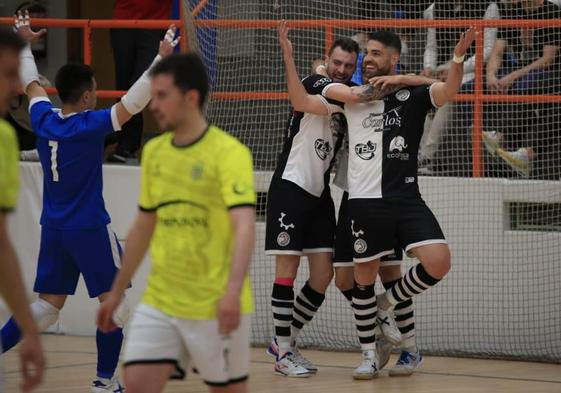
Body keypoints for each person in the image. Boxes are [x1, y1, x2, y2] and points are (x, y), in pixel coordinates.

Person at [279, 20, 476, 377]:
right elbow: (302, 99)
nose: (366, 59)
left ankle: (393, 320)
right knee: (358, 279)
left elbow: (448, 90)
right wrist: (292, 61)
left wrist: (457, 57)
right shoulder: (353, 97)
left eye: (374, 53)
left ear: (394, 58)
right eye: (365, 53)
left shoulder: (413, 94)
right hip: (361, 202)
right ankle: (370, 353)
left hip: (404, 198)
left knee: (435, 262)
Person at [0, 11, 178, 392]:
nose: (98, 94)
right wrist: (161, 58)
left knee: (47, 307)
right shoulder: (88, 125)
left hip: (55, 228)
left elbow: (31, 85)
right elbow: (132, 103)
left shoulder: (44, 118)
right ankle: (103, 383)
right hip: (89, 228)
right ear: (85, 96)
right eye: (95, 89)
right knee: (116, 305)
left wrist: (25, 42)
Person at [97, 53, 256, 393]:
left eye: (162, 95)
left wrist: (231, 291)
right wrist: (115, 291)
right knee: (137, 382)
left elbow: (244, 227)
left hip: (216, 303)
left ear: (191, 97)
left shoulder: (230, 154)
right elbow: (143, 227)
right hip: (162, 301)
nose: (153, 105)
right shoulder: (155, 152)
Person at [265, 37, 361, 377]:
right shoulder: (317, 83)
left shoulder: (346, 103)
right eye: (337, 63)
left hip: (320, 195)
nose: (342, 69)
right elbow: (299, 98)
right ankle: (283, 355)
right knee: (286, 272)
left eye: (349, 66)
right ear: (327, 60)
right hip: (291, 187)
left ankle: (285, 340)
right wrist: (291, 60)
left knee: (323, 275)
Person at [0, 25, 44, 393]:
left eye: (18, 74)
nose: (16, 86)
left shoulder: (5, 140)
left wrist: (29, 330)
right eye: (8, 74)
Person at [419, 0, 499, 175]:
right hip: (442, 70)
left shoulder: (488, 7)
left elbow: (486, 51)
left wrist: (455, 67)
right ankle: (414, 155)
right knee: (419, 91)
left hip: (473, 71)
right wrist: (429, 68)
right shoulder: (434, 9)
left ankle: (427, 155)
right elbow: (431, 48)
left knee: (449, 95)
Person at [485, 0, 561, 178]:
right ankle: (494, 144)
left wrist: (512, 76)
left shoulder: (551, 11)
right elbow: (496, 52)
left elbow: (548, 59)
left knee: (527, 84)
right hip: (520, 71)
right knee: (469, 87)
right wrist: (491, 75)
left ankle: (504, 137)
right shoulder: (512, 12)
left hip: (549, 74)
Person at [108, 0, 173, 163]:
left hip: (154, 25)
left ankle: (126, 143)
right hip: (123, 22)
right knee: (122, 85)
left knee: (139, 82)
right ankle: (123, 140)